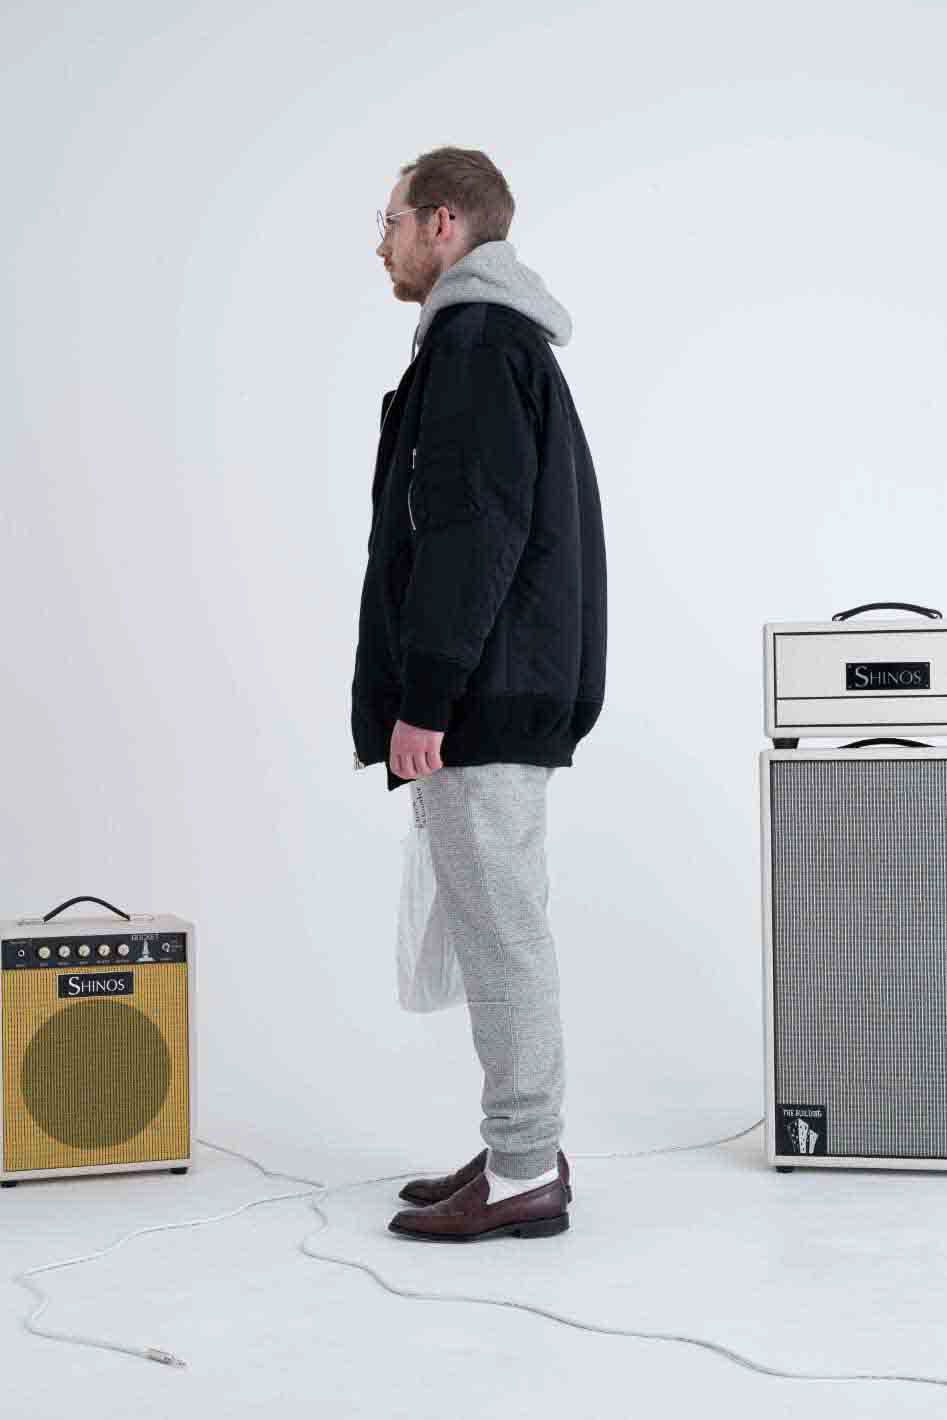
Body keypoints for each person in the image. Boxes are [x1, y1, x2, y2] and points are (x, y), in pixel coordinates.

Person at [351, 146, 607, 1242]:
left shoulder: (474, 343)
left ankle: (521, 1169)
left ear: (443, 223)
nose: (381, 243)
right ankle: (518, 1147)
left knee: (502, 937)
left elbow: (469, 535)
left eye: (391, 220)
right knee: (503, 926)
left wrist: (427, 697)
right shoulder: (494, 342)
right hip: (507, 685)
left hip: (482, 696)